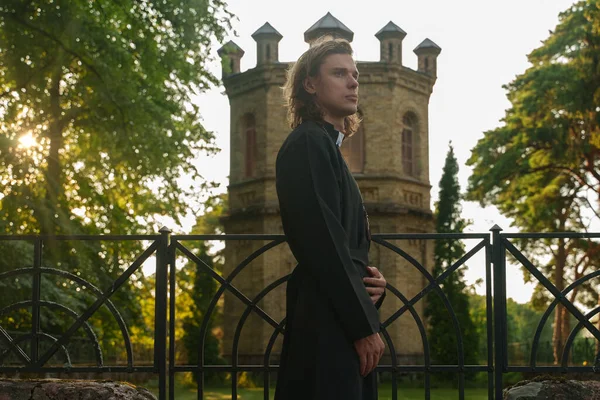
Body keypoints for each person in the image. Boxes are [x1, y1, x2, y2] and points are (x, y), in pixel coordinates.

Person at [274, 38, 388, 400]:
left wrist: (372, 285)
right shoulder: (308, 143)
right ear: (309, 84)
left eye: (354, 75)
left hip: (339, 315)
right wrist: (362, 325)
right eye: (339, 73)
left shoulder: (327, 148)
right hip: (327, 322)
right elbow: (321, 242)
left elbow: (342, 245)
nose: (353, 82)